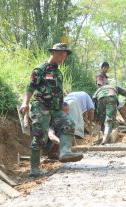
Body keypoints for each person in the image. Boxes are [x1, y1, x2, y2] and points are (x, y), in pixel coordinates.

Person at [20, 43, 83, 177]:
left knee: (69, 124)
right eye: (60, 54)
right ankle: (34, 169)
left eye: (64, 55)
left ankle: (65, 151)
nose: (62, 57)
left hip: (56, 108)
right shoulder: (40, 70)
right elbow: (30, 87)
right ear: (53, 53)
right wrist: (25, 102)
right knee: (40, 137)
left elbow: (58, 92)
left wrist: (62, 105)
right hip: (41, 107)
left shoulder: (58, 72)